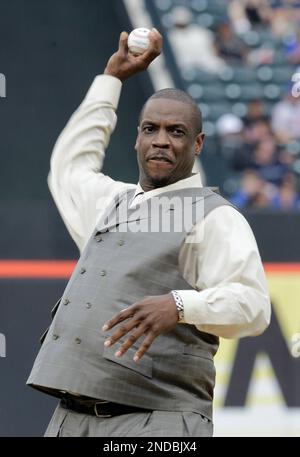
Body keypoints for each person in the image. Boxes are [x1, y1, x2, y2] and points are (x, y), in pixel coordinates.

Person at [27, 29, 271, 437]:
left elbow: (253, 306)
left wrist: (179, 305)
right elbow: (68, 169)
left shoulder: (214, 217)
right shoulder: (113, 202)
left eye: (176, 132)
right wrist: (111, 79)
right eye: (150, 129)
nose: (161, 141)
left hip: (157, 422)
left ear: (198, 143)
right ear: (137, 137)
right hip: (71, 417)